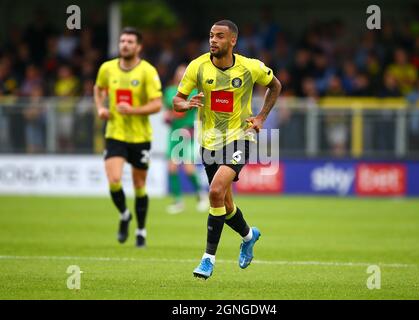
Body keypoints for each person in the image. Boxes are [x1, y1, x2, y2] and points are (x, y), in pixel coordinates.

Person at [173, 20, 282, 279]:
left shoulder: (249, 67)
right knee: (225, 204)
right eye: (211, 35)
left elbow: (275, 85)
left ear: (232, 40)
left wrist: (261, 118)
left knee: (215, 191)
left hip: (240, 138)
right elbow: (177, 101)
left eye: (219, 36)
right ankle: (248, 236)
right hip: (209, 142)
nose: (213, 40)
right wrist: (186, 104)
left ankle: (207, 259)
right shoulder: (197, 66)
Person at [93, 27, 162, 248]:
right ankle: (124, 215)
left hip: (140, 136)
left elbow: (157, 104)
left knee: (139, 185)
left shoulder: (147, 71)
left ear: (138, 46)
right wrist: (100, 108)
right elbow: (98, 88)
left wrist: (132, 110)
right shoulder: (107, 68)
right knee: (114, 180)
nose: (125, 44)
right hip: (115, 133)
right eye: (122, 41)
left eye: (130, 42)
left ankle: (141, 230)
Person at [163, 64, 208, 214]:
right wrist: (168, 117)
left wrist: (193, 127)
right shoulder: (170, 91)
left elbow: (198, 113)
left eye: (184, 74)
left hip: (187, 132)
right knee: (172, 167)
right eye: (179, 73)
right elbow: (170, 110)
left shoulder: (195, 91)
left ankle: (201, 196)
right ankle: (178, 201)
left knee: (188, 167)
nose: (181, 76)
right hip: (174, 133)